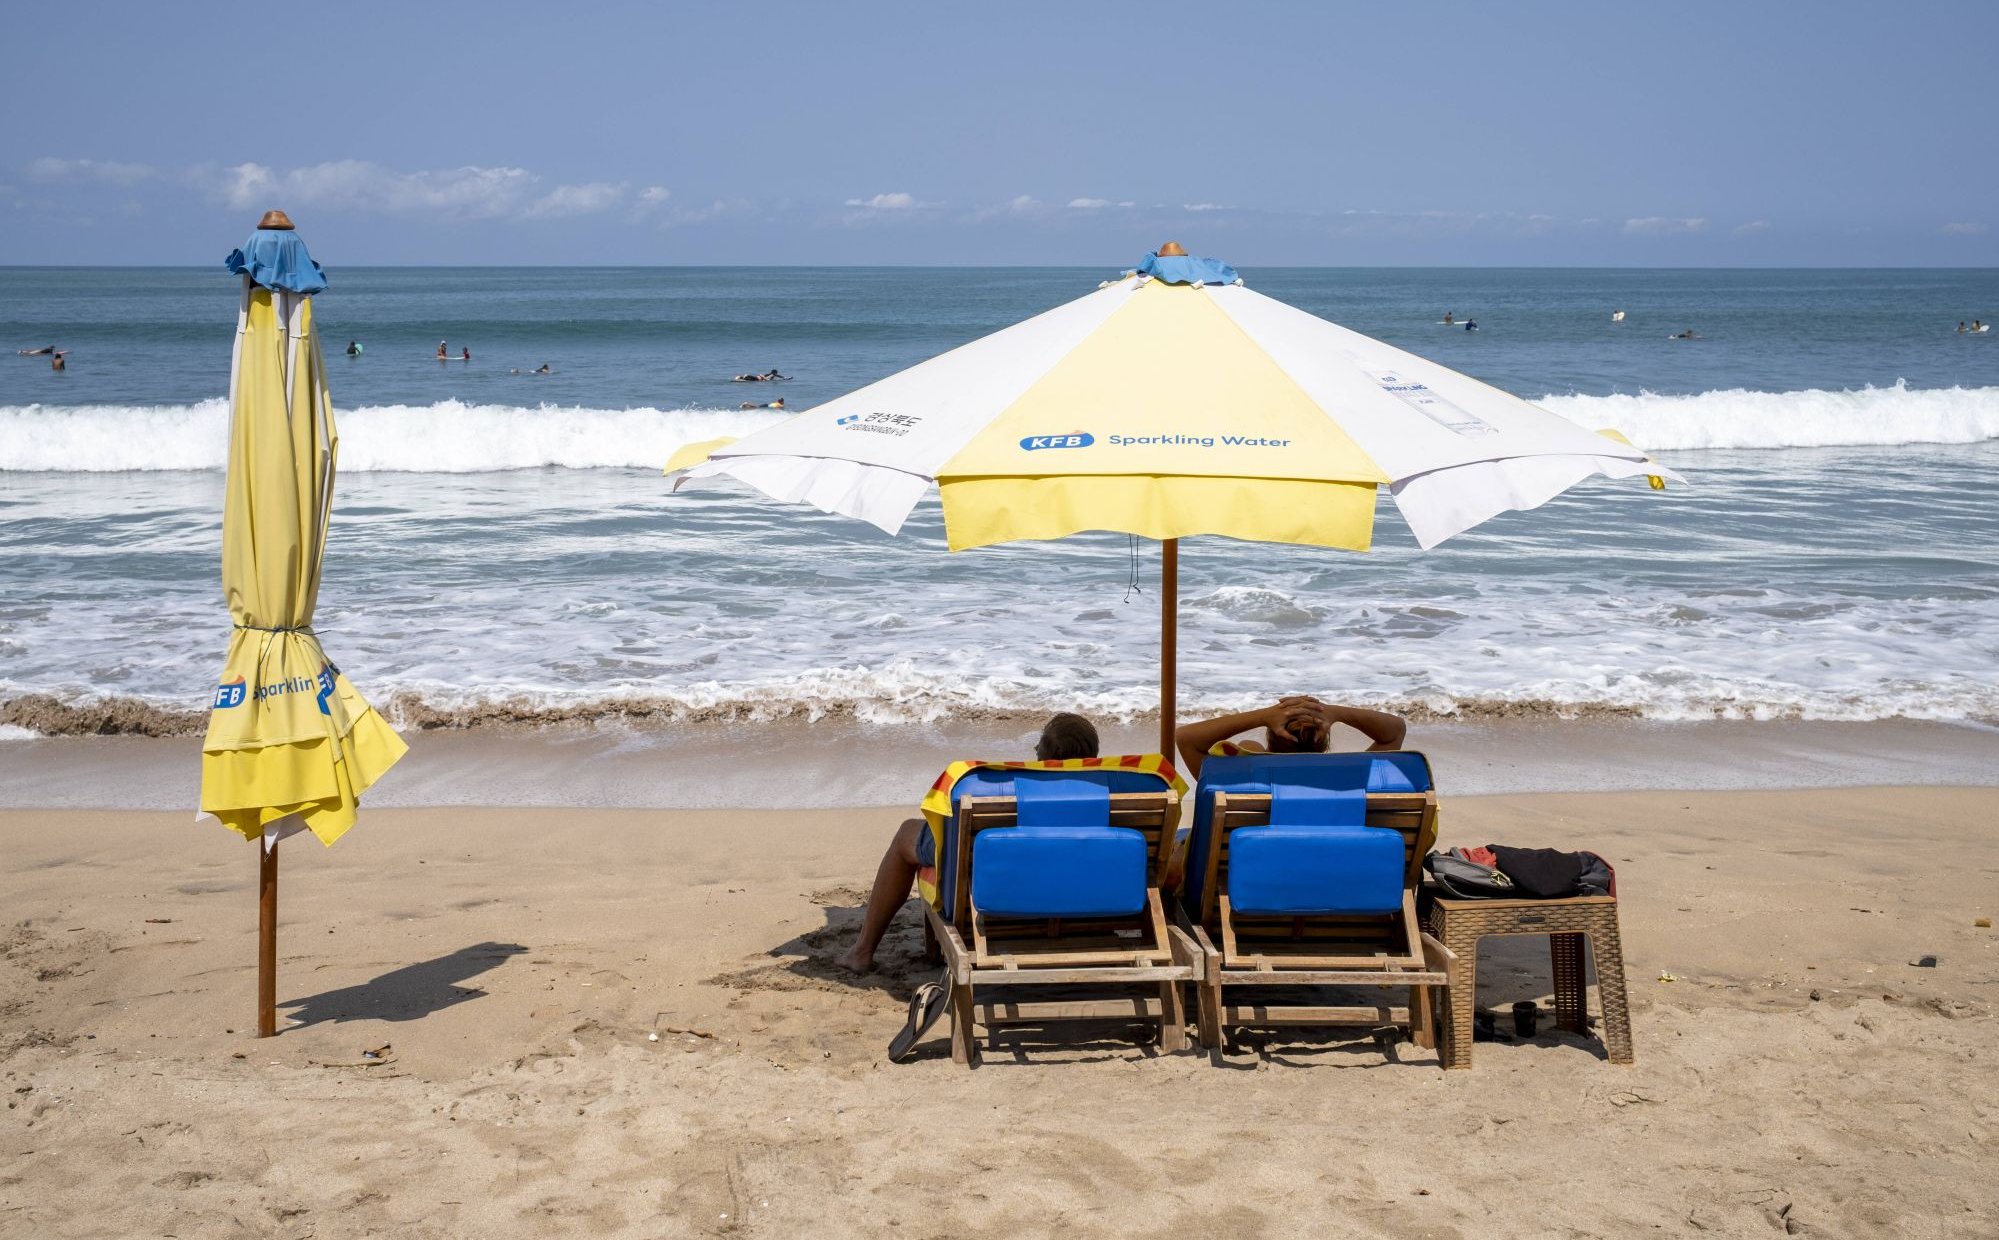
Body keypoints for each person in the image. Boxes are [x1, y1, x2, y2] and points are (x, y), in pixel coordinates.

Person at [835, 712, 1102, 974]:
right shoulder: (1116, 792)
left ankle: (862, 952)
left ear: (1050, 752)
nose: (1035, 751)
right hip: (1091, 904)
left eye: (1038, 746)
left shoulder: (986, 789)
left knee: (908, 833)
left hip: (1001, 898)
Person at [1173, 696, 1407, 782]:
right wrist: (1336, 712)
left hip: (1252, 873)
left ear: (1271, 736)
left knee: (1248, 748)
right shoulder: (1352, 780)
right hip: (1332, 873)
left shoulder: (1242, 782)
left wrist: (1263, 715)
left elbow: (1186, 737)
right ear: (1324, 742)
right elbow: (1394, 731)